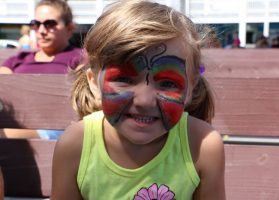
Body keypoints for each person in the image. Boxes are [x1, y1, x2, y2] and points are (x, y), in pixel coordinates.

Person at [51, 0, 225, 199]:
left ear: (191, 87)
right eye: (123, 79)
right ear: (94, 83)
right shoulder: (76, 145)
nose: (144, 100)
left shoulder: (203, 146)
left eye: (167, 83)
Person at [0, 0, 82, 139]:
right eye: (36, 24)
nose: (42, 30)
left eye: (50, 24)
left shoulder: (80, 58)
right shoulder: (18, 59)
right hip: (15, 123)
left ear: (69, 28)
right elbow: (4, 85)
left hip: (57, 128)